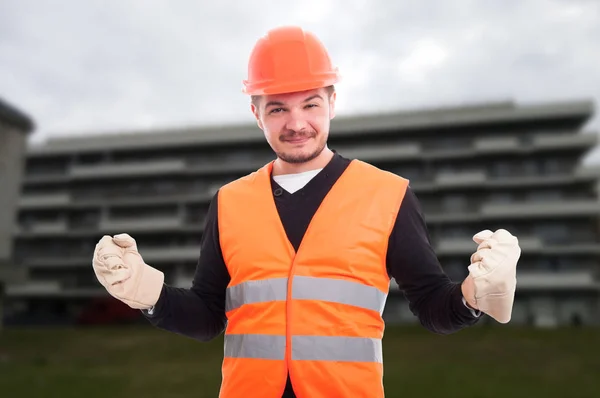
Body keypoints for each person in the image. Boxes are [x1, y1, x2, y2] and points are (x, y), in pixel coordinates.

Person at [92, 25, 521, 398]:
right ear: (256, 113)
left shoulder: (387, 195)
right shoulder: (229, 202)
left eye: (310, 104)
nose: (296, 123)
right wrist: (148, 294)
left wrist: (473, 296)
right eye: (278, 108)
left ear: (332, 102)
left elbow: (432, 306)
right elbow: (207, 317)